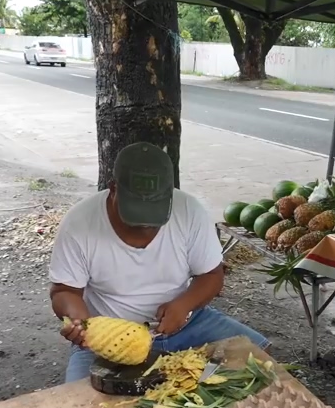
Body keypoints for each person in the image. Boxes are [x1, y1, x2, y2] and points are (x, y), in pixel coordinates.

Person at [48, 142, 270, 383]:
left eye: (154, 218)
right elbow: (64, 291)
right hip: (112, 337)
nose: (146, 227)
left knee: (260, 360)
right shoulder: (80, 223)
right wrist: (81, 321)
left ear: (170, 194)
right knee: (82, 402)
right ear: (113, 189)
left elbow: (212, 275)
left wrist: (184, 305)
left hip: (186, 323)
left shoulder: (190, 212)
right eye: (136, 216)